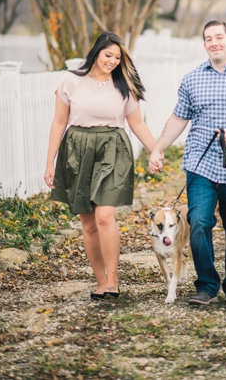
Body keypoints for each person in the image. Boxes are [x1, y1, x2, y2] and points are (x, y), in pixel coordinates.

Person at [148, 20, 226, 311]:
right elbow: (179, 118)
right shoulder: (193, 78)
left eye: (219, 37)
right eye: (209, 38)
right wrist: (157, 148)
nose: (214, 42)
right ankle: (206, 285)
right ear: (204, 44)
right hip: (200, 164)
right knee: (198, 225)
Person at [44, 32, 157, 299]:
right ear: (96, 52)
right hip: (77, 150)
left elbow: (137, 123)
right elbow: (59, 122)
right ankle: (100, 281)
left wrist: (156, 150)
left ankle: (113, 279)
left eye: (118, 58)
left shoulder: (124, 84)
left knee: (104, 216)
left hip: (112, 149)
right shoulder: (70, 80)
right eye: (109, 55)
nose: (113, 61)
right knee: (88, 223)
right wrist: (50, 162)